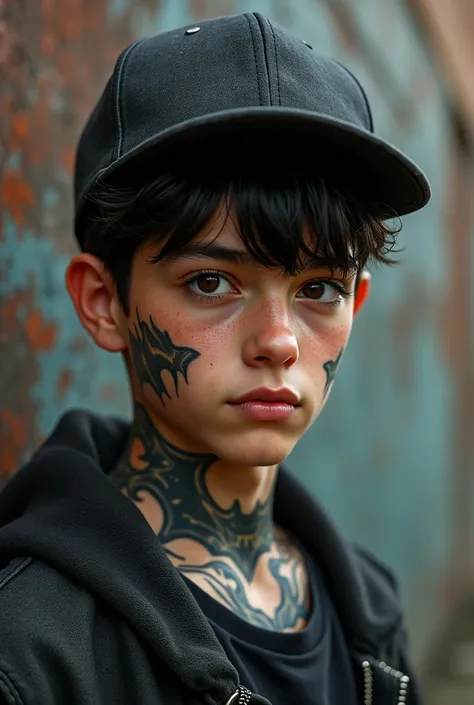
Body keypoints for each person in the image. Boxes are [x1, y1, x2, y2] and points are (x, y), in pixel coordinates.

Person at [0, 12, 430, 705]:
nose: (279, 340)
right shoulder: (32, 650)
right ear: (103, 302)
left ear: (358, 305)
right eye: (211, 282)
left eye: (319, 289)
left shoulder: (369, 610)